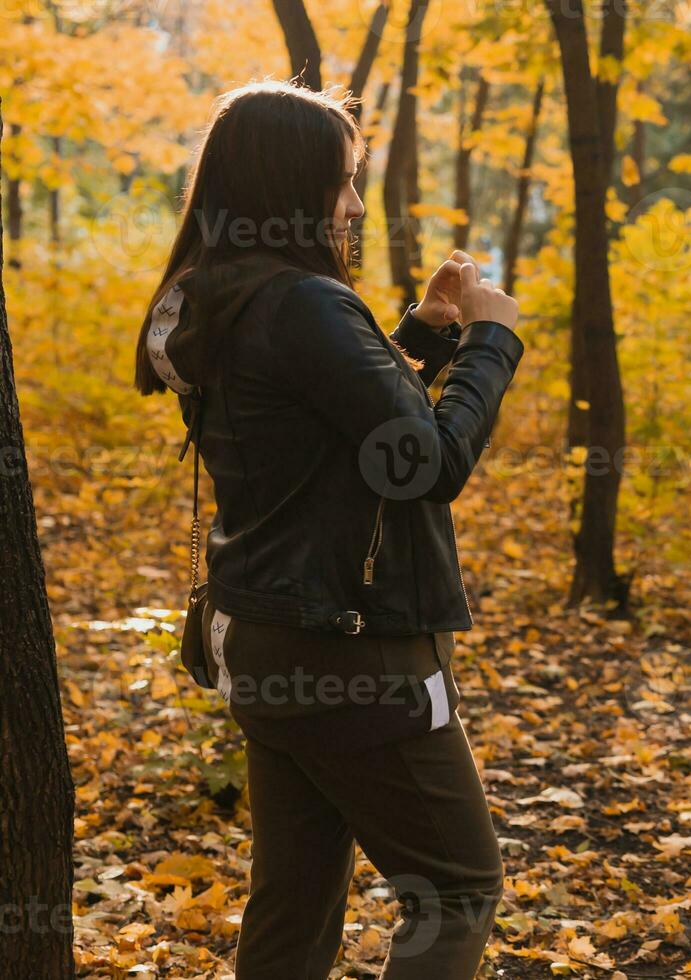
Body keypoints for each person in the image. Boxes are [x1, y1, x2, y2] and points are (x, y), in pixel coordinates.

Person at [131, 79, 524, 978]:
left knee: (297, 898)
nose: (351, 203)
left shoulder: (209, 296)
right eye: (341, 179)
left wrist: (418, 336)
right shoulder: (303, 301)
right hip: (354, 652)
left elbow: (313, 429)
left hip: (266, 641)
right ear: (286, 183)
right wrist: (491, 341)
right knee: (457, 888)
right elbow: (426, 463)